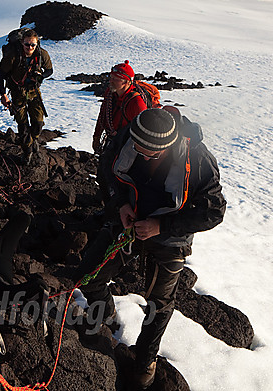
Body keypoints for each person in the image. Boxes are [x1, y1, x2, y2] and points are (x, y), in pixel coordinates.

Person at [78, 108, 226, 389]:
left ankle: (145, 361)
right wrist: (119, 204)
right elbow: (106, 167)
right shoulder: (130, 134)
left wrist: (162, 226)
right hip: (128, 220)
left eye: (151, 154)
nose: (143, 156)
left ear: (169, 145)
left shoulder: (198, 159)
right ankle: (106, 318)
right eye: (139, 150)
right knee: (89, 274)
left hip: (170, 237)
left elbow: (213, 212)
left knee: (159, 305)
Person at [92, 60, 148, 211]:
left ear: (126, 82)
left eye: (115, 79)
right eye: (111, 78)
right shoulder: (111, 94)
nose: (110, 81)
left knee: (116, 178)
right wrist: (96, 136)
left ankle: (116, 210)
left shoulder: (136, 103)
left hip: (127, 146)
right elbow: (103, 114)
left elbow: (143, 131)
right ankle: (109, 206)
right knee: (103, 175)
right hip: (113, 141)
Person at [0, 29, 53, 156]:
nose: (30, 47)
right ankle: (27, 151)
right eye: (27, 44)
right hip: (17, 92)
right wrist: (3, 94)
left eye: (33, 45)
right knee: (23, 124)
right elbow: (0, 75)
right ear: (22, 42)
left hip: (34, 91)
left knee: (38, 122)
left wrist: (41, 75)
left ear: (37, 43)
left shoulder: (41, 54)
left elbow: (49, 70)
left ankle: (33, 140)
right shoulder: (13, 56)